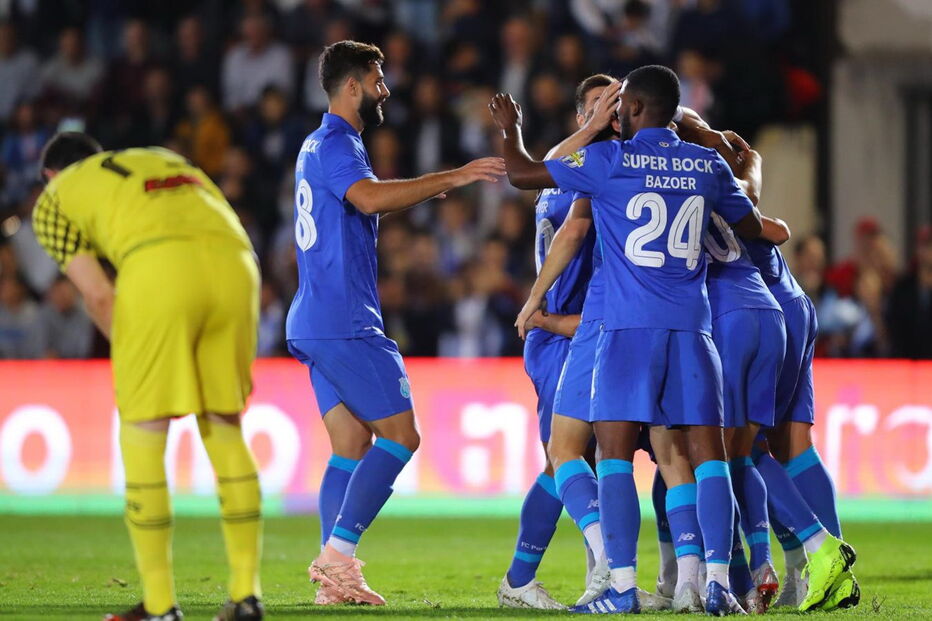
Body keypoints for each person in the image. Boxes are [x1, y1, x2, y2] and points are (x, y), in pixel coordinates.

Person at [491, 64, 771, 615]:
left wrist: (509, 128)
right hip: (693, 329)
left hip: (624, 330)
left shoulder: (610, 161)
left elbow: (522, 175)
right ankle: (715, 581)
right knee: (705, 457)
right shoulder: (706, 165)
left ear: (635, 108)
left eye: (620, 106)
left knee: (612, 454)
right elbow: (752, 223)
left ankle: (620, 585)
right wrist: (740, 168)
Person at [286, 40, 503, 606]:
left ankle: (332, 583)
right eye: (377, 80)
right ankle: (338, 557)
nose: (385, 91)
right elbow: (367, 198)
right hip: (344, 318)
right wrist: (456, 176)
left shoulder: (315, 143)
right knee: (402, 436)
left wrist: (424, 188)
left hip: (313, 316)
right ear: (351, 85)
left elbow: (364, 200)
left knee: (350, 442)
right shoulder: (339, 143)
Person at [33, 133, 264, 621]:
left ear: (51, 175)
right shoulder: (157, 158)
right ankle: (246, 596)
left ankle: (160, 606)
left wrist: (138, 350)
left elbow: (99, 295)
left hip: (159, 268)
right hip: (238, 264)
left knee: (143, 431)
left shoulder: (54, 198)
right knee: (224, 425)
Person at [496, 74, 610, 611]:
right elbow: (574, 230)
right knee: (564, 457)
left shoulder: (565, 166)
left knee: (585, 457)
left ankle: (592, 577)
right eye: (598, 105)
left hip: (572, 329)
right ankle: (529, 578)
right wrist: (539, 311)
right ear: (580, 117)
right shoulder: (580, 172)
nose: (611, 111)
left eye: (616, 102)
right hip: (559, 333)